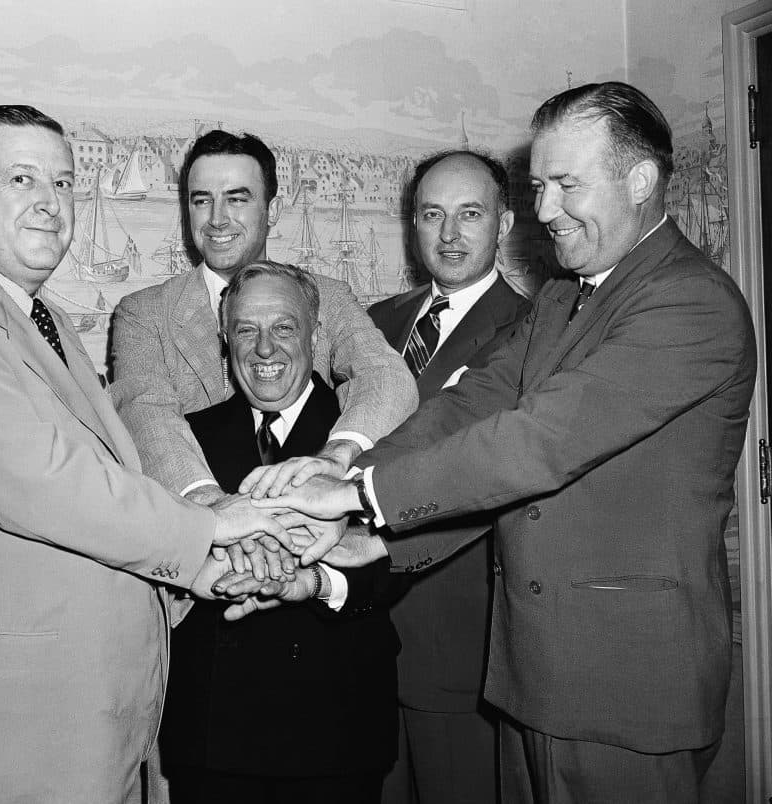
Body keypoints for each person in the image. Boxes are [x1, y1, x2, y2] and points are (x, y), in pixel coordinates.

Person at [255, 82, 757, 803]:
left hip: (627, 689)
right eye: (539, 185)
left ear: (640, 180)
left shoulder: (690, 301)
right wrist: (352, 480)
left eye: (565, 184)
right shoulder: (563, 295)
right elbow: (471, 403)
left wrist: (362, 497)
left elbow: (537, 440)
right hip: (534, 674)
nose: (546, 210)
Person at [0, 105, 289, 804]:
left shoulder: (45, 317)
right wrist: (211, 524)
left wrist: (199, 570)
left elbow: (109, 474)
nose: (50, 204)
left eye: (62, 183)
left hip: (86, 716)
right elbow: (44, 481)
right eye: (22, 179)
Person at [160, 260, 397, 804]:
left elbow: (405, 560)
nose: (264, 350)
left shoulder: (369, 433)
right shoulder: (184, 443)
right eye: (246, 329)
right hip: (214, 745)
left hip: (336, 739)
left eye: (284, 328)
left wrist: (319, 580)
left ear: (317, 337)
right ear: (226, 341)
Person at [110, 129, 417, 505]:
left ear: (274, 210)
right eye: (202, 200)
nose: (217, 220)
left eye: (237, 199)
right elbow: (147, 417)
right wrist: (214, 509)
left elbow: (384, 376)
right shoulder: (143, 315)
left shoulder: (329, 296)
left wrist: (336, 457)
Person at [368, 150, 530, 804]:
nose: (450, 234)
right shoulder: (375, 324)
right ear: (413, 224)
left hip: (461, 640)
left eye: (471, 214)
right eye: (432, 214)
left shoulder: (531, 332)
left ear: (505, 223)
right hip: (364, 635)